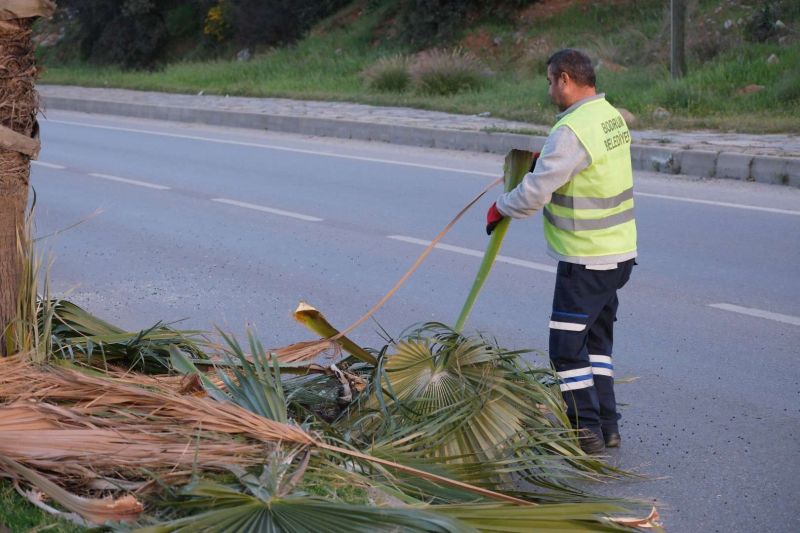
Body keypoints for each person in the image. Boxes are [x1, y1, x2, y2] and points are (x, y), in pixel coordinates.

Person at [486, 48, 637, 454]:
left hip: (584, 260)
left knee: (566, 352)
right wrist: (548, 161)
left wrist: (500, 207)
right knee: (597, 345)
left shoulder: (571, 131)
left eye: (551, 81)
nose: (550, 89)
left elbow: (535, 194)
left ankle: (583, 432)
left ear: (566, 79)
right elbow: (582, 166)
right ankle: (609, 426)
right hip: (619, 254)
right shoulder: (610, 118)